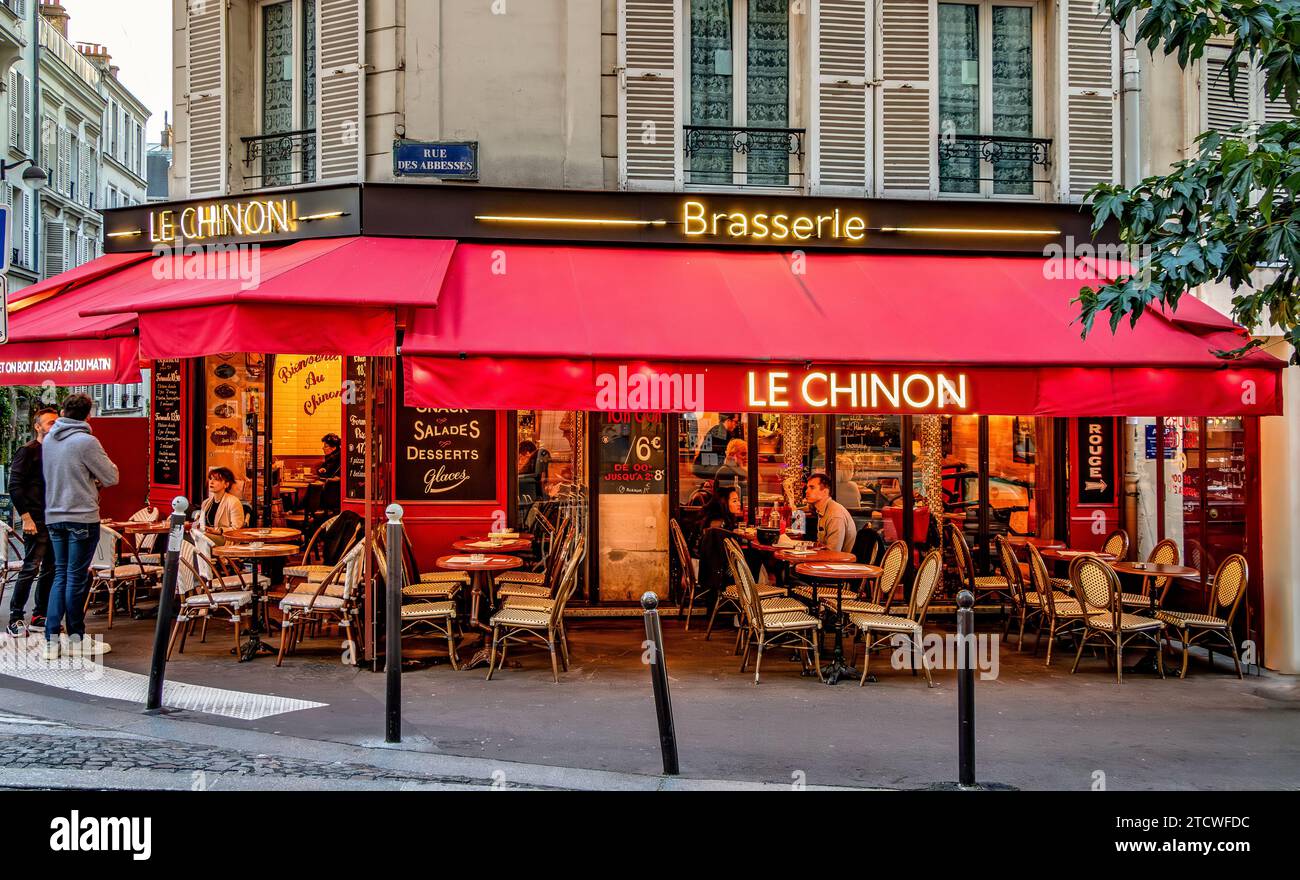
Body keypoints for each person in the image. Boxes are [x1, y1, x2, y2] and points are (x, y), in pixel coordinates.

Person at [42, 394, 119, 658]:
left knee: (60, 575)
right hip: (81, 516)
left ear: (63, 411)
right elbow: (111, 476)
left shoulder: (49, 440)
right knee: (75, 577)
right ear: (89, 415)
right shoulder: (87, 441)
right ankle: (76, 638)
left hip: (54, 515)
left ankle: (51, 640)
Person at [6, 407, 59, 636]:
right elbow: (14, 486)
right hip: (35, 520)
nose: (54, 426)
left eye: (57, 422)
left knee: (50, 569)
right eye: (49, 423)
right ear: (37, 426)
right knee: (30, 568)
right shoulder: (27, 452)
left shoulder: (58, 451)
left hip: (55, 519)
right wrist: (26, 517)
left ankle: (40, 615)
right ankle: (15, 618)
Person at [805, 472, 857, 553]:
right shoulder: (822, 510)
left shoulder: (835, 516)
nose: (806, 491)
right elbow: (821, 545)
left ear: (825, 492)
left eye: (812, 488)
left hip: (838, 563)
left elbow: (833, 553)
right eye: (807, 487)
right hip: (828, 559)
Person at [198, 466, 246, 541]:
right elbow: (201, 524)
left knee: (201, 538)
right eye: (210, 479)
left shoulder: (233, 502)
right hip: (208, 537)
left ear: (226, 484)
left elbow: (237, 528)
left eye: (216, 480)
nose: (211, 482)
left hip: (225, 539)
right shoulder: (206, 503)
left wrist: (219, 531)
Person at [713, 438, 748, 505]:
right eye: (743, 454)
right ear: (732, 455)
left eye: (747, 454)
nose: (746, 457)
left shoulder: (735, 470)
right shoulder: (726, 472)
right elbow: (742, 498)